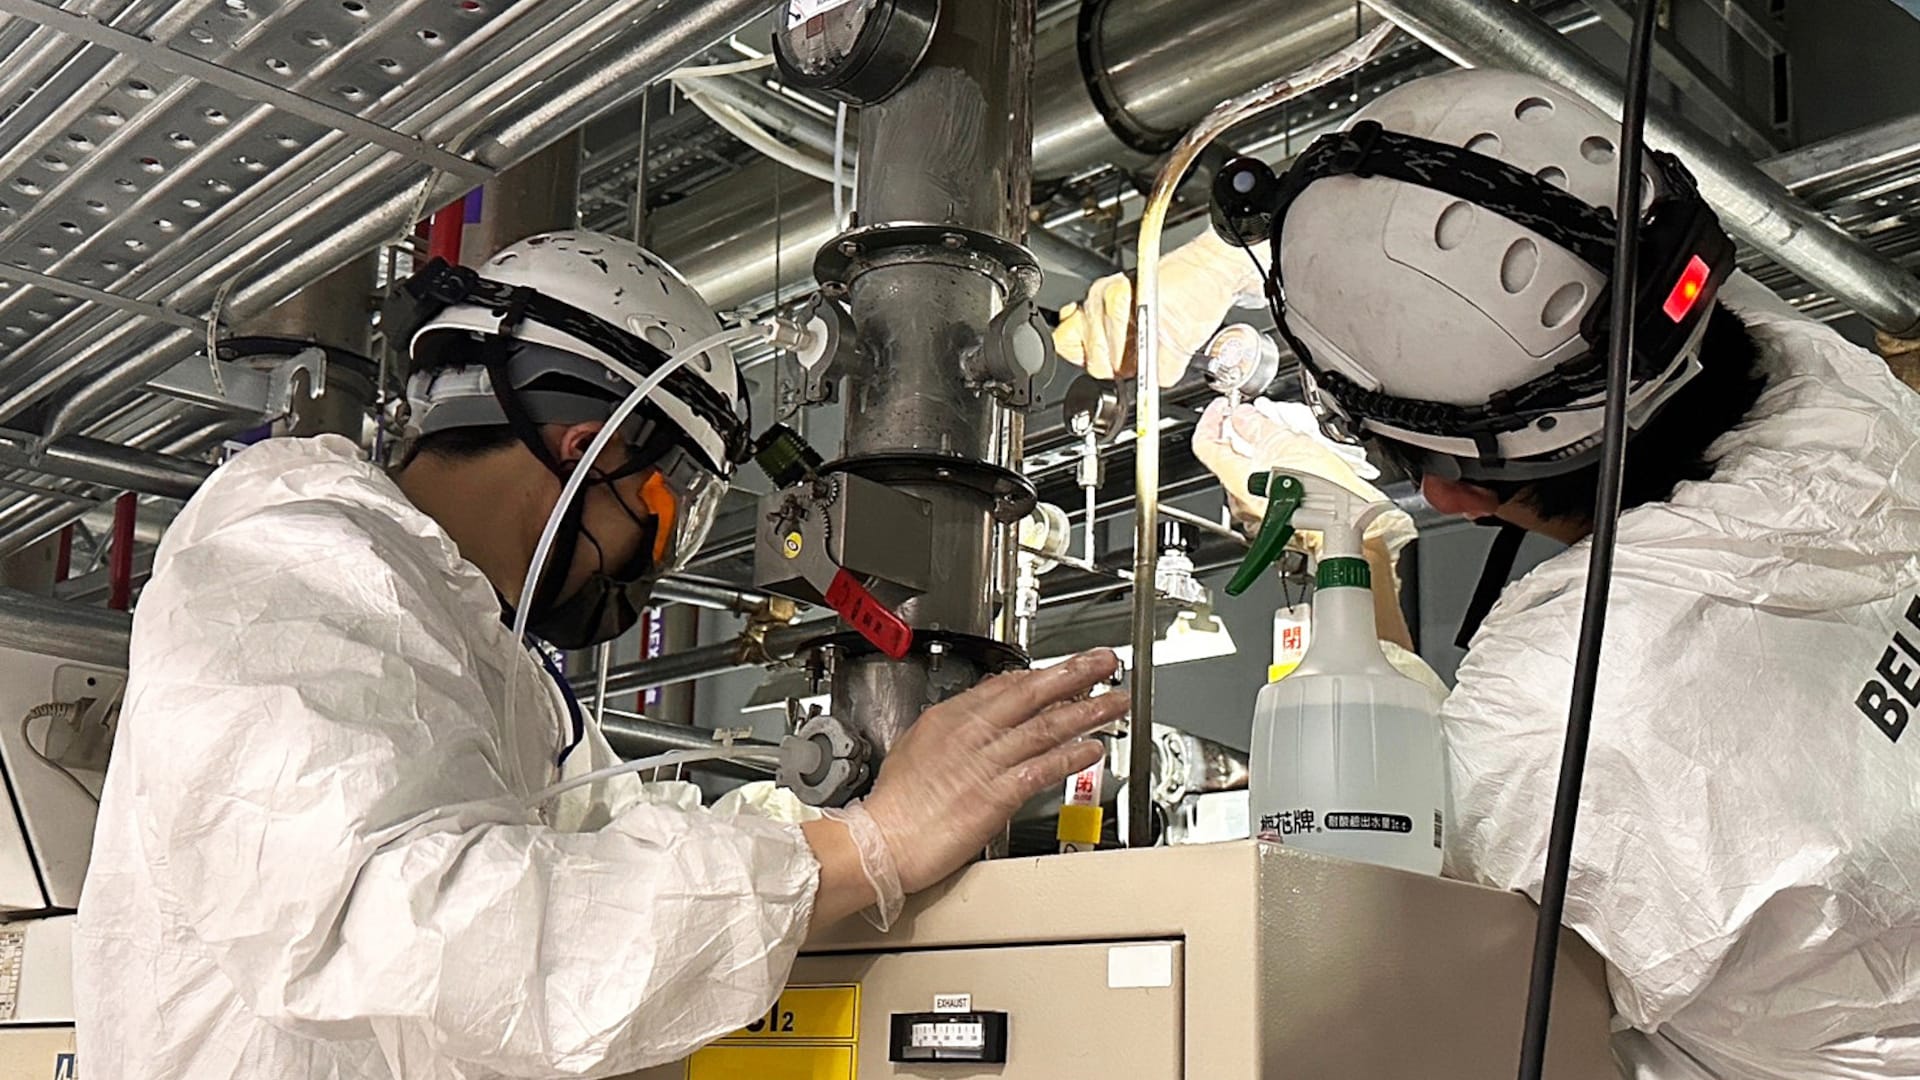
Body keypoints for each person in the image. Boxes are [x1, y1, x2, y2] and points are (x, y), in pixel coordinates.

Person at [75, 229, 1127, 1079]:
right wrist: (869, 846)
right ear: (592, 450)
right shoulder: (290, 572)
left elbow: (605, 842)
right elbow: (432, 934)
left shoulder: (489, 670)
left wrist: (861, 818)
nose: (653, 564)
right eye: (667, 514)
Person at [1056, 68, 1920, 1079]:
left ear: (1456, 498)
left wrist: (1354, 545)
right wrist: (1234, 262)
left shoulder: (1564, 694)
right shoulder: (1830, 389)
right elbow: (1566, 237)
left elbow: (1381, 937)